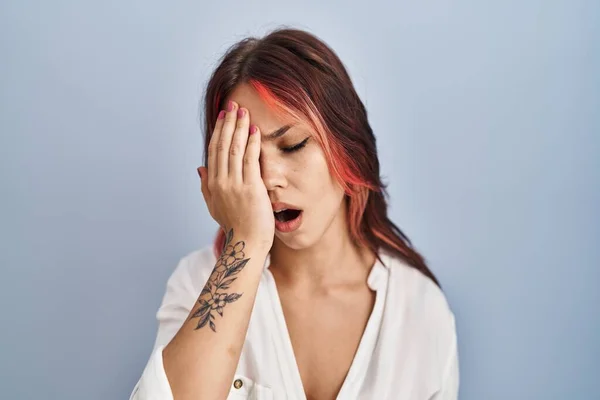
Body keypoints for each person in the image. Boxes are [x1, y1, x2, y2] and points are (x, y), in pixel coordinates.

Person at [129, 27, 459, 400]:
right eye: (247, 158)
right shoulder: (197, 282)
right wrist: (247, 241)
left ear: (346, 146)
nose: (268, 179)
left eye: (292, 145)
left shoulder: (421, 312)